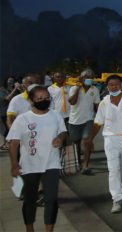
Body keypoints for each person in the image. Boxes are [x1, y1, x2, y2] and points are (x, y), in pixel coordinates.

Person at [8, 85, 67, 232]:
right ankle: (30, 228)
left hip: (51, 164)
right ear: (32, 101)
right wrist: (14, 164)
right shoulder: (22, 119)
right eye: (39, 98)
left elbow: (63, 132)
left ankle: (49, 229)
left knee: (51, 200)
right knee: (29, 200)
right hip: (29, 166)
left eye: (47, 98)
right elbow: (14, 144)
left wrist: (60, 138)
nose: (44, 100)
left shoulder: (55, 115)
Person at [85, 75, 122, 213]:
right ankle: (116, 199)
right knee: (113, 169)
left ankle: (121, 189)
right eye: (111, 85)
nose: (114, 87)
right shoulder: (104, 103)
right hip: (111, 139)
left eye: (117, 84)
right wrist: (90, 138)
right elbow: (98, 122)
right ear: (107, 86)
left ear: (121, 85)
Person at [68, 69, 100, 175]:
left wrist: (100, 117)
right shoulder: (73, 88)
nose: (89, 79)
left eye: (91, 77)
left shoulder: (94, 90)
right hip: (74, 120)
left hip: (88, 120)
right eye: (86, 77)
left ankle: (85, 165)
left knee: (86, 141)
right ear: (81, 78)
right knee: (76, 143)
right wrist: (78, 88)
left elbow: (97, 105)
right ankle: (78, 164)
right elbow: (72, 102)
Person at [1, 76, 17, 149]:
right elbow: (7, 98)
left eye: (12, 81)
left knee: (13, 128)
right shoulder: (2, 90)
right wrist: (15, 89)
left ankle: (7, 143)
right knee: (8, 128)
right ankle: (5, 143)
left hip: (14, 112)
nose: (11, 82)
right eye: (9, 80)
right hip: (5, 112)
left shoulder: (15, 89)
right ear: (6, 81)